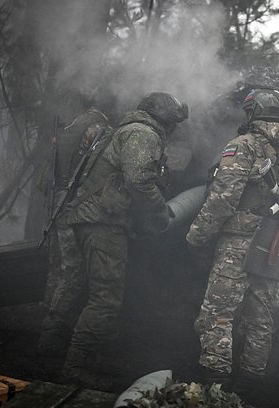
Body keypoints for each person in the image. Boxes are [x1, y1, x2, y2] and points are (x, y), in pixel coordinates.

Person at [186, 88, 279, 399]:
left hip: (240, 240)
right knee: (262, 317)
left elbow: (222, 200)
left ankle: (213, 389)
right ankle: (247, 392)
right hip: (277, 242)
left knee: (218, 311)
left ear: (253, 113)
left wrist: (197, 235)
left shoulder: (244, 146)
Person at [62, 92, 188, 390]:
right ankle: (75, 366)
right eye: (173, 123)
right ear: (165, 120)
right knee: (105, 299)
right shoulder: (143, 134)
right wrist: (159, 214)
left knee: (98, 293)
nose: (173, 130)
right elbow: (140, 181)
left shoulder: (128, 130)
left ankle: (83, 355)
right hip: (102, 224)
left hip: (94, 221)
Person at [38, 107, 111, 357]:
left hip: (56, 199)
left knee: (57, 265)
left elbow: (43, 178)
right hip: (70, 201)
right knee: (74, 270)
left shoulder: (68, 127)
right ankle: (52, 331)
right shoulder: (97, 126)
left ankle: (47, 318)